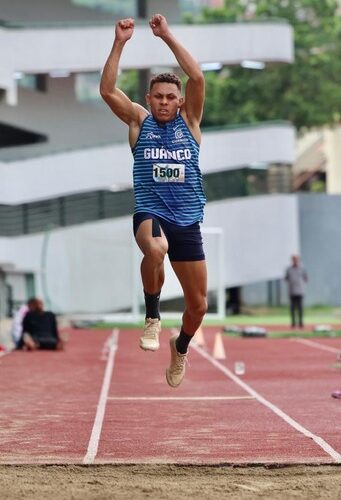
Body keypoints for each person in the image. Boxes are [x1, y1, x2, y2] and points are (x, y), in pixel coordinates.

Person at [100, 14, 207, 387]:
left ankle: (181, 347)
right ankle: (153, 317)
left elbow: (197, 77)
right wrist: (120, 43)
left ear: (180, 102)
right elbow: (108, 91)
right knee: (155, 248)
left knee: (198, 306)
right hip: (150, 211)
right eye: (157, 97)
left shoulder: (190, 122)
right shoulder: (138, 123)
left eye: (170, 98)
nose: (163, 103)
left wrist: (166, 36)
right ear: (148, 99)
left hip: (188, 218)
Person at [285, 255, 308, 328]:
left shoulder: (302, 268)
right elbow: (286, 278)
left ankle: (301, 323)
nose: (295, 261)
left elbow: (306, 278)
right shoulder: (289, 269)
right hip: (291, 291)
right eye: (293, 259)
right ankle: (293, 323)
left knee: (300, 308)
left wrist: (300, 283)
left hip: (300, 291)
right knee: (292, 308)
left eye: (296, 259)